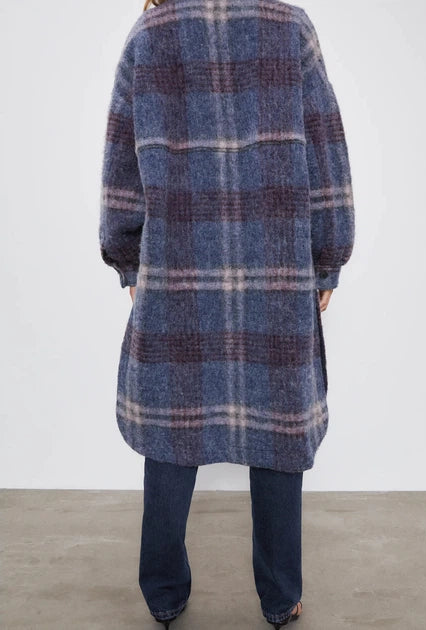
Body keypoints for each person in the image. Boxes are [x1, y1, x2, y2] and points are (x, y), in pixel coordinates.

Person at [98, 0, 355, 626]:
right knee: (278, 429)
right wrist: (327, 255)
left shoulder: (151, 33)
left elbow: (121, 165)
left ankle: (163, 594)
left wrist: (128, 257)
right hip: (276, 266)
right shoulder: (289, 26)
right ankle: (280, 597)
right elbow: (326, 153)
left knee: (171, 427)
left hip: (177, 266)